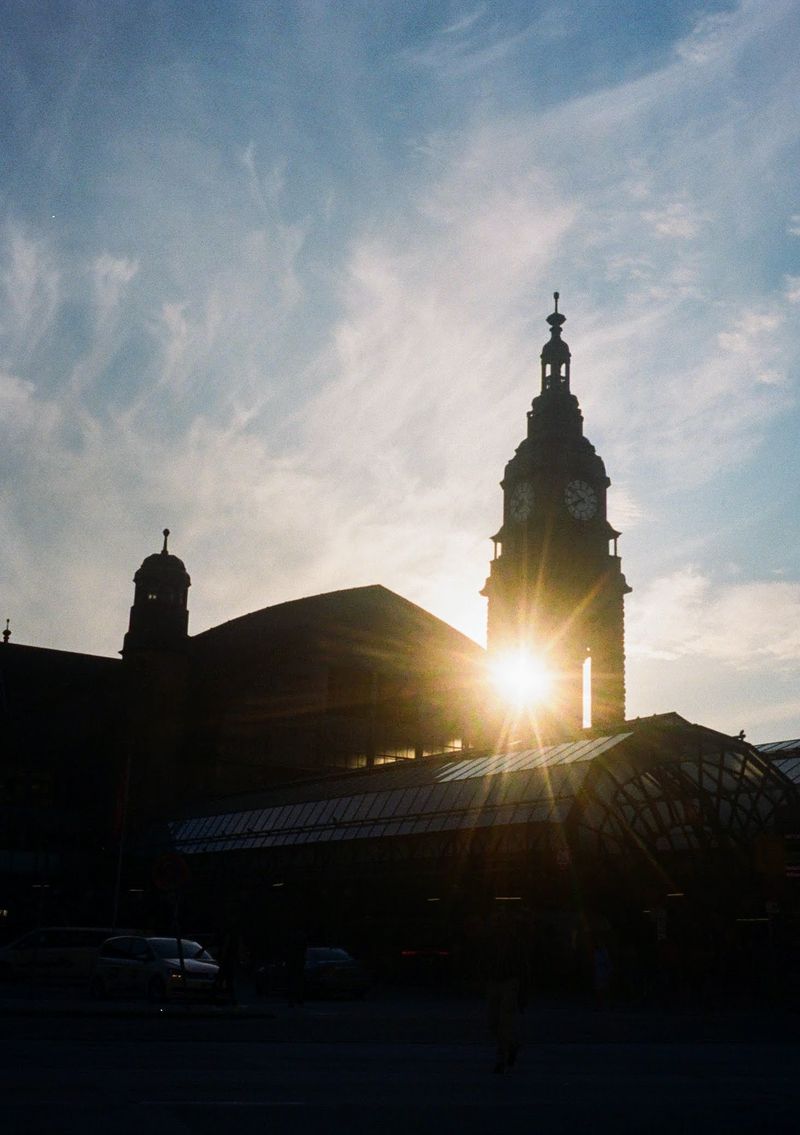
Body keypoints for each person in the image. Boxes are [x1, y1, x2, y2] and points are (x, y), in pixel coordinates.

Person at [483, 908, 530, 1073]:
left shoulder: (515, 943)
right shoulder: (492, 941)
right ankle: (510, 1046)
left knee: (503, 1023)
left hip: (509, 981)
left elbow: (523, 968)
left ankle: (501, 1059)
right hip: (497, 982)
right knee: (493, 1023)